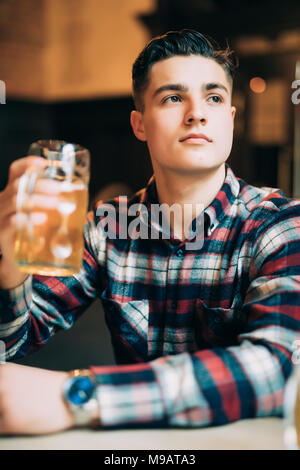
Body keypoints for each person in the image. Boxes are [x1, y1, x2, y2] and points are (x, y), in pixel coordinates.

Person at [0, 29, 299, 435]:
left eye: (213, 97)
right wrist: (9, 269)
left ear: (230, 119)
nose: (197, 112)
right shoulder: (107, 227)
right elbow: (11, 344)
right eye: (173, 98)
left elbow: (281, 366)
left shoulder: (279, 225)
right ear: (139, 124)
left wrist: (80, 395)